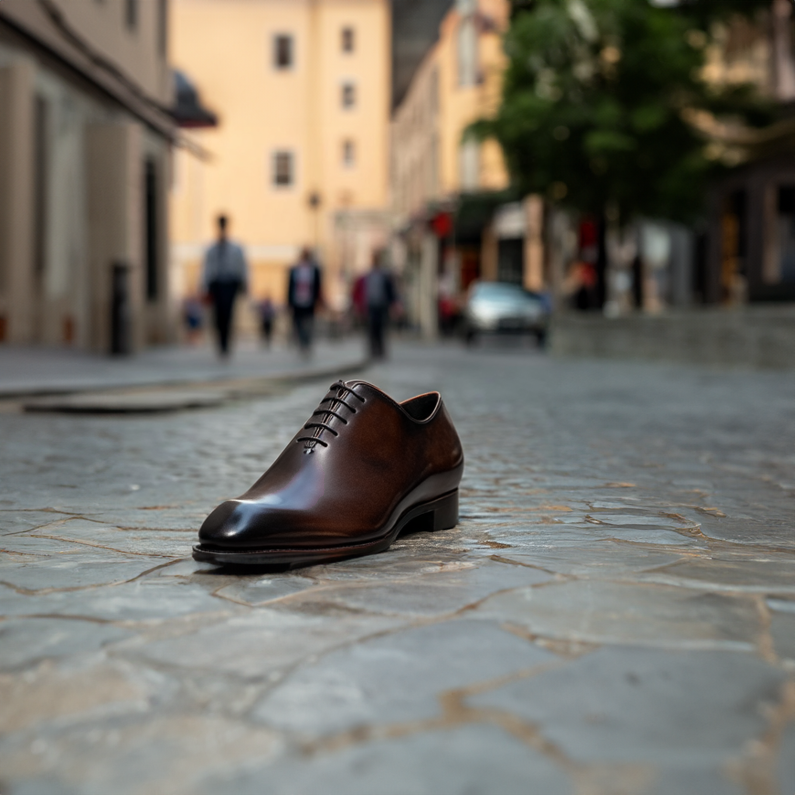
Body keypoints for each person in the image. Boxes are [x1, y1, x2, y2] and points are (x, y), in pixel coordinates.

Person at [202, 215, 248, 357]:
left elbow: (242, 266)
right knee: (218, 316)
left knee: (228, 314)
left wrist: (243, 283)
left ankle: (226, 343)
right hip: (216, 284)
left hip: (230, 283)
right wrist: (205, 287)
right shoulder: (212, 249)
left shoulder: (236, 248)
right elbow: (207, 269)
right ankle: (221, 343)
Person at [287, 247, 322, 354]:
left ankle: (307, 342)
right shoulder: (295, 269)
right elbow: (289, 286)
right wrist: (289, 301)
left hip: (309, 302)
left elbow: (318, 286)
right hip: (297, 301)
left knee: (308, 323)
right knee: (298, 323)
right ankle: (302, 343)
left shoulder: (314, 270)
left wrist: (318, 301)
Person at [363, 250, 397, 359]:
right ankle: (373, 350)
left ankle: (381, 350)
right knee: (372, 328)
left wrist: (393, 303)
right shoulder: (369, 275)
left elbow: (390, 290)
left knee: (381, 328)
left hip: (382, 305)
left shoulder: (384, 275)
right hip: (371, 305)